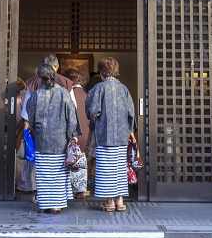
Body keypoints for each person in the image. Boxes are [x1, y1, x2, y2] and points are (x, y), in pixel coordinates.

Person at [26, 63, 81, 213]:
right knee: (58, 172)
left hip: (43, 139)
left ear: (40, 78)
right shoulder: (63, 93)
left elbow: (31, 117)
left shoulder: (37, 94)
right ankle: (57, 205)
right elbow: (72, 117)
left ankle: (45, 204)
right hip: (60, 140)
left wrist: (35, 129)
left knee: (44, 173)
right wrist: (72, 135)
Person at [85, 57, 135, 212]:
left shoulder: (99, 88)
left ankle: (109, 202)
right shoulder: (124, 89)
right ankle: (120, 201)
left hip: (104, 134)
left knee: (107, 168)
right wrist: (129, 131)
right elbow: (131, 113)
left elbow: (92, 111)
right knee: (119, 167)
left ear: (101, 72)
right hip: (121, 136)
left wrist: (93, 122)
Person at [63, 69, 90, 198]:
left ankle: (69, 188)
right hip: (85, 132)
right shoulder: (87, 96)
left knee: (69, 158)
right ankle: (81, 188)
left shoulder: (67, 95)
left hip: (72, 133)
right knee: (81, 158)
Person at [14, 77, 35, 193]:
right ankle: (32, 184)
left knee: (22, 158)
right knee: (31, 159)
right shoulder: (29, 94)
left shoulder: (19, 97)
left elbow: (17, 118)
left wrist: (15, 130)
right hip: (32, 130)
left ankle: (23, 184)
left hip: (23, 131)